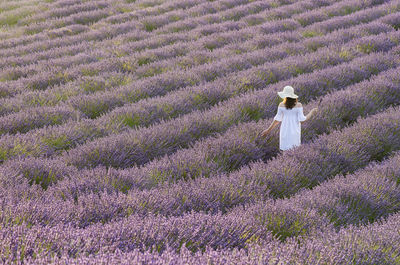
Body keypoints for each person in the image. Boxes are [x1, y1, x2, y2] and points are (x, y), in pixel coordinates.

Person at [261, 85, 318, 151]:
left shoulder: (281, 105)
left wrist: (268, 130)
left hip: (284, 131)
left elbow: (277, 120)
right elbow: (302, 120)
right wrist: (312, 112)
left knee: (284, 151)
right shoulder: (299, 105)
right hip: (295, 132)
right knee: (295, 151)